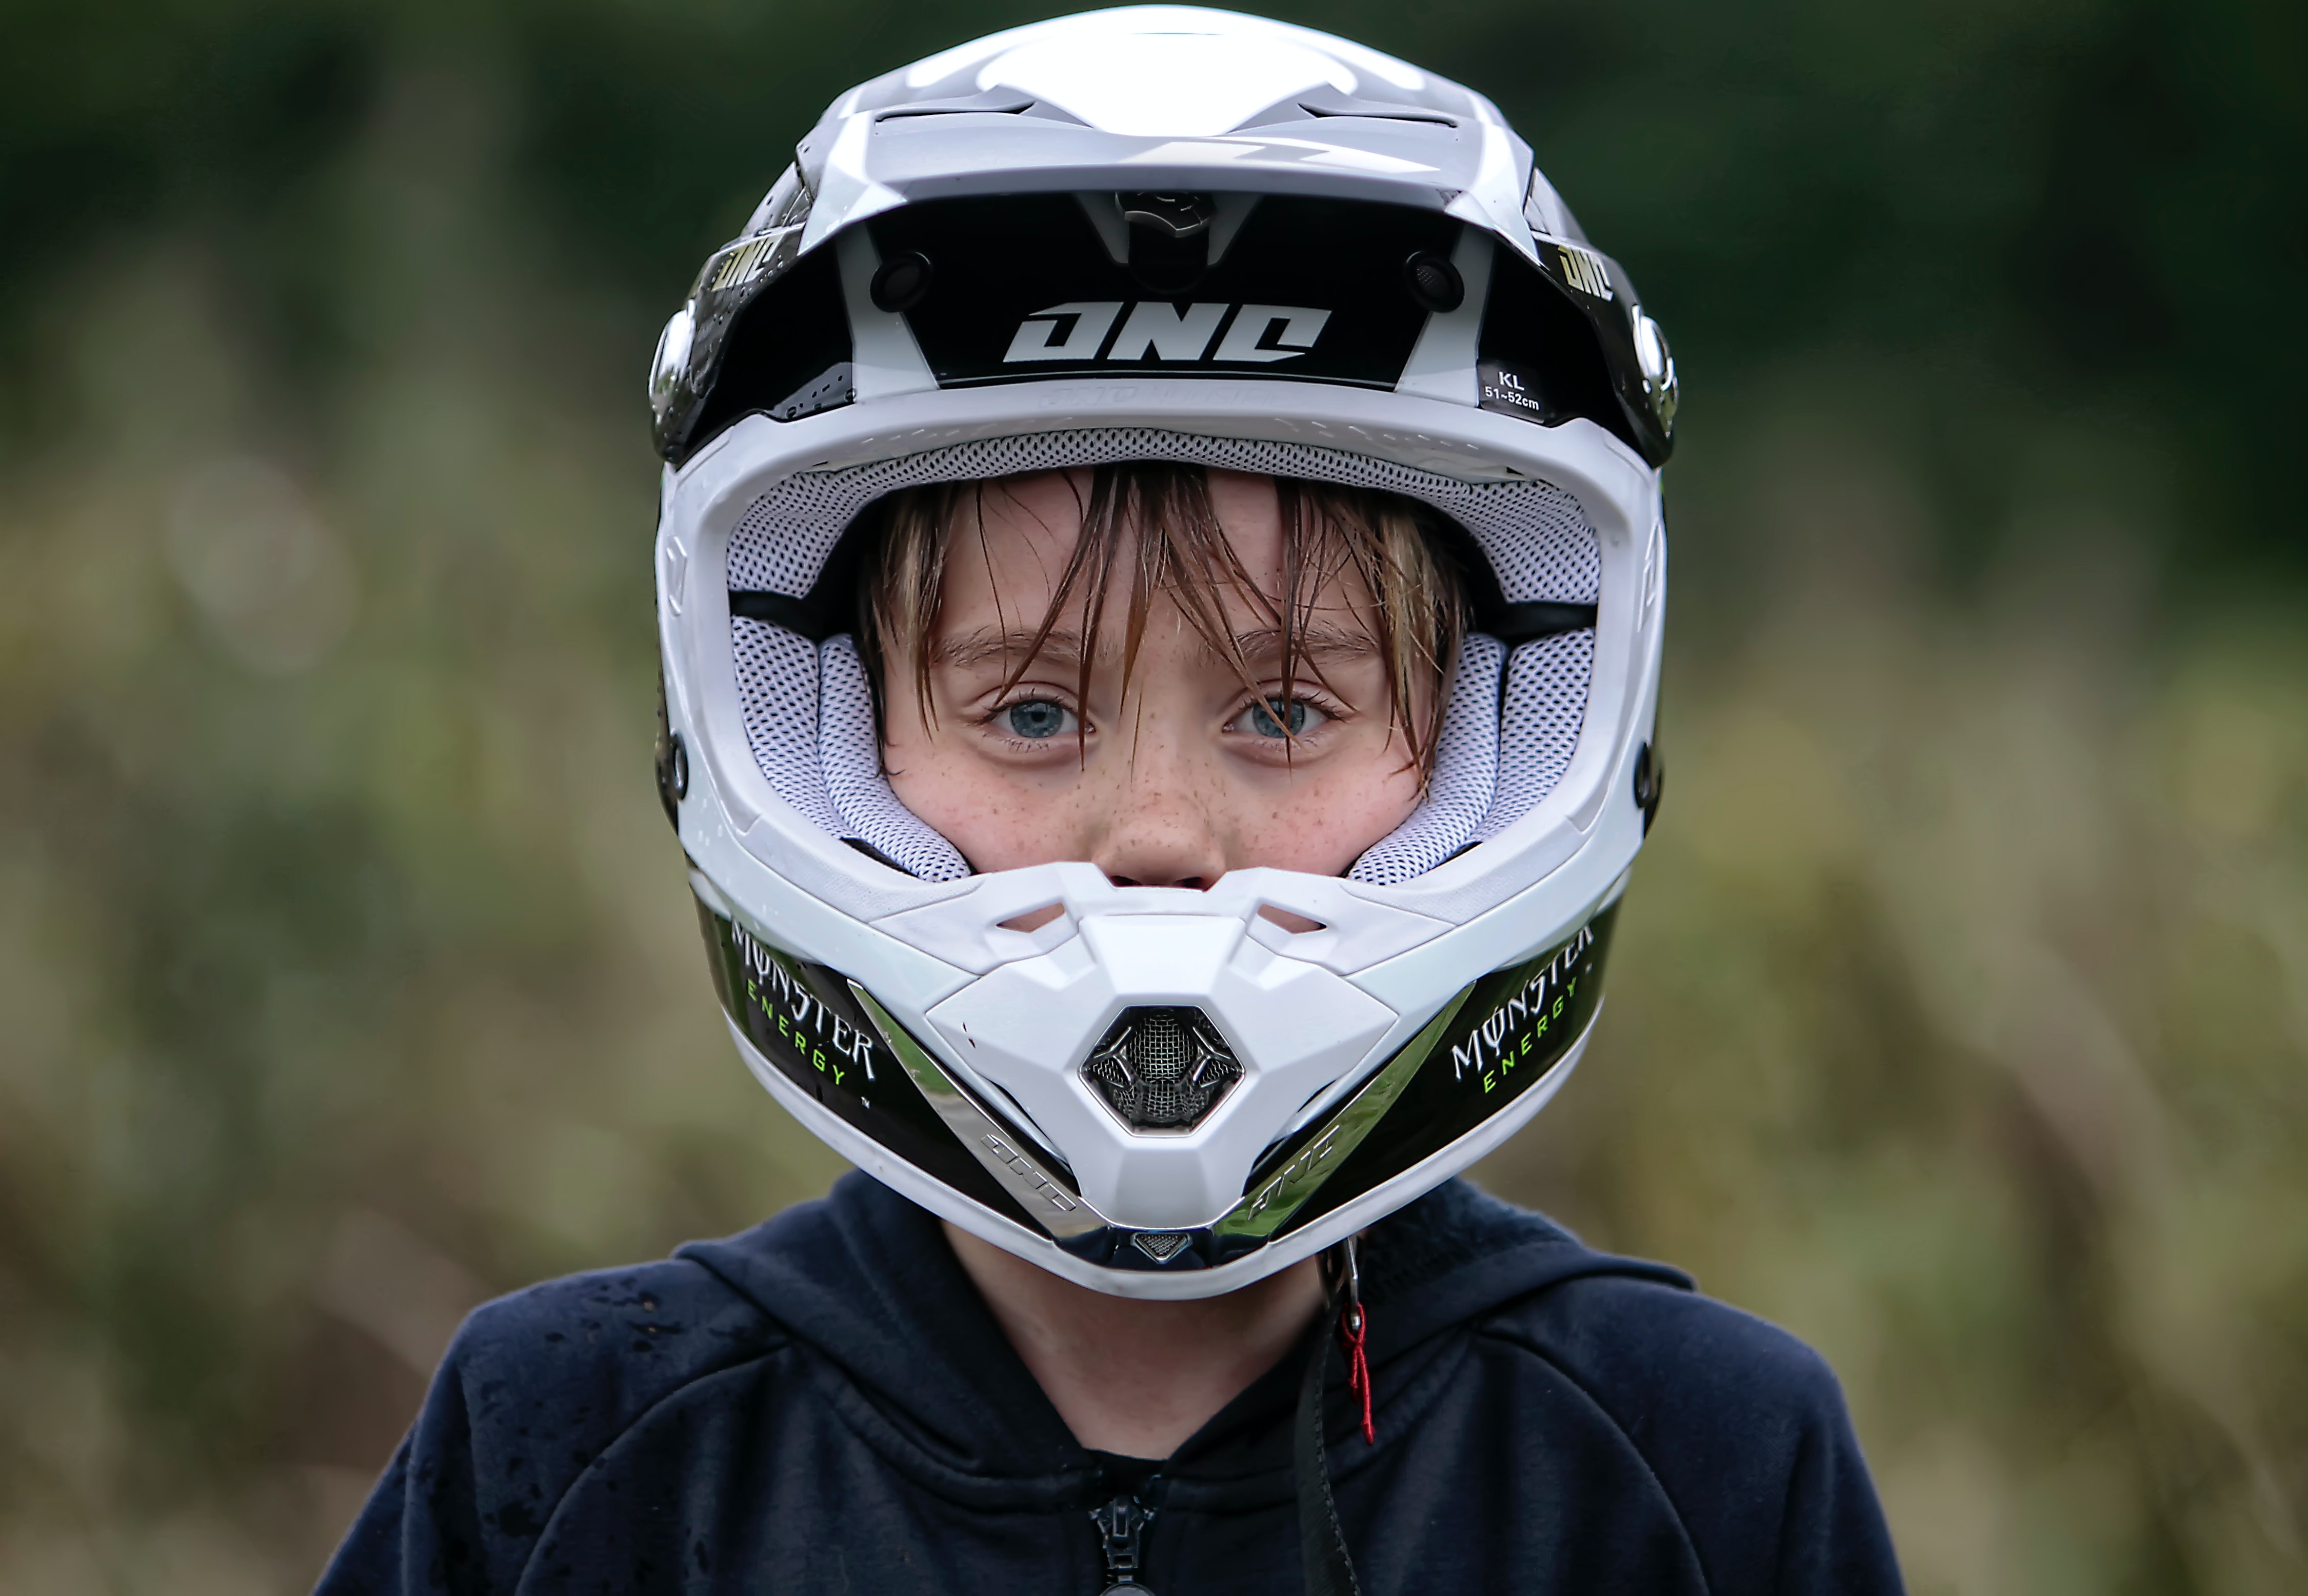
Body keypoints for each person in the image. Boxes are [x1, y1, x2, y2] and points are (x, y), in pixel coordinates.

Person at [319, 9, 1904, 1592]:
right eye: (1030, 710)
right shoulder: (576, 1446)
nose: (1158, 837)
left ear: (1503, 732)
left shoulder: (1695, 1468)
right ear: (829, 729)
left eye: (1285, 708)